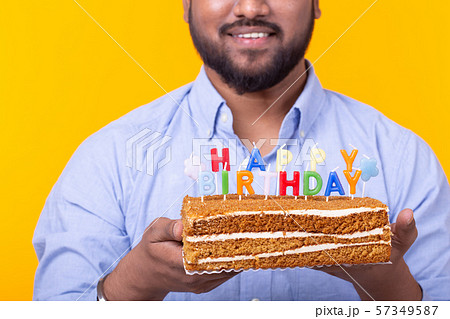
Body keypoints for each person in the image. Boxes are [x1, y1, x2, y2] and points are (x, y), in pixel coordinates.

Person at [33, 0, 450, 301]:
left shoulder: (401, 157)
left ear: (317, 3)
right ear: (186, 4)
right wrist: (137, 283)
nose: (250, 6)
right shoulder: (109, 157)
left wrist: (387, 285)